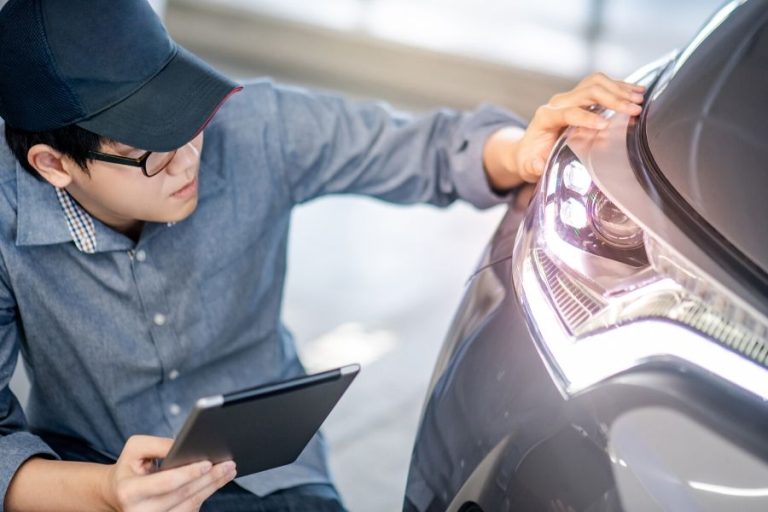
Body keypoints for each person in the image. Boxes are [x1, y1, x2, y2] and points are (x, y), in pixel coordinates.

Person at [0, 0, 644, 510]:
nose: (192, 156)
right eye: (158, 154)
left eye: (190, 119)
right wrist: (104, 493)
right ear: (55, 165)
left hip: (270, 476)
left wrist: (518, 150)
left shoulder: (255, 126)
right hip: (89, 475)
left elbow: (421, 149)